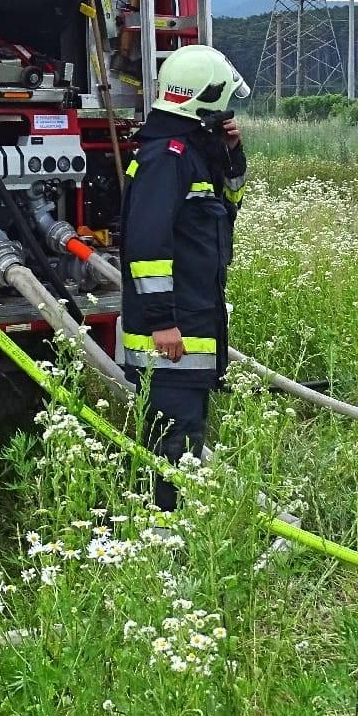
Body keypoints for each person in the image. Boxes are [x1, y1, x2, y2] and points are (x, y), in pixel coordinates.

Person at [118, 44, 250, 511]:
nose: (226, 114)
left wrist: (229, 155)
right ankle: (162, 531)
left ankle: (172, 522)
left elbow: (225, 212)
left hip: (192, 323)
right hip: (173, 335)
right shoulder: (166, 160)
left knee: (183, 436)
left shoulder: (194, 156)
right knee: (170, 443)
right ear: (204, 101)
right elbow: (147, 248)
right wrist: (162, 322)